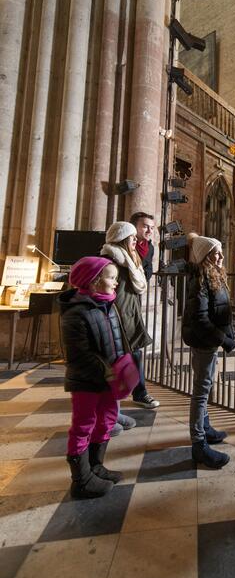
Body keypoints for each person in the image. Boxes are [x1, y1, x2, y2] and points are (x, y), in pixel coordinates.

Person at [59, 256, 124, 498]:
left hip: (108, 377)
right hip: (87, 380)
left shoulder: (108, 304)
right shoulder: (75, 312)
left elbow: (116, 341)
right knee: (83, 425)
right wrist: (108, 372)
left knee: (107, 418)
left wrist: (122, 365)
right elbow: (80, 355)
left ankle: (96, 467)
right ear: (94, 281)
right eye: (111, 278)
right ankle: (82, 480)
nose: (116, 283)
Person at [182, 233, 235, 469]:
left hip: (211, 339)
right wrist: (223, 339)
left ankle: (206, 428)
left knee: (206, 385)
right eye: (215, 252)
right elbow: (202, 319)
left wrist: (228, 333)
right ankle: (199, 444)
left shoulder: (213, 274)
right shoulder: (200, 280)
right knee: (201, 390)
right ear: (205, 256)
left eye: (221, 250)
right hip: (204, 340)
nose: (221, 255)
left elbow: (220, 310)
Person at [101, 221, 159, 421]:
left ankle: (119, 408)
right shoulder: (111, 260)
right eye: (132, 237)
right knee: (117, 362)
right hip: (116, 316)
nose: (136, 240)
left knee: (130, 357)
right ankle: (111, 413)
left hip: (128, 313)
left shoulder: (130, 259)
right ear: (123, 239)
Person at [130, 211, 155, 281]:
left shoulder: (150, 247)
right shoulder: (124, 244)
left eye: (152, 228)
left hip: (139, 286)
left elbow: (149, 268)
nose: (149, 231)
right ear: (134, 227)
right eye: (145, 227)